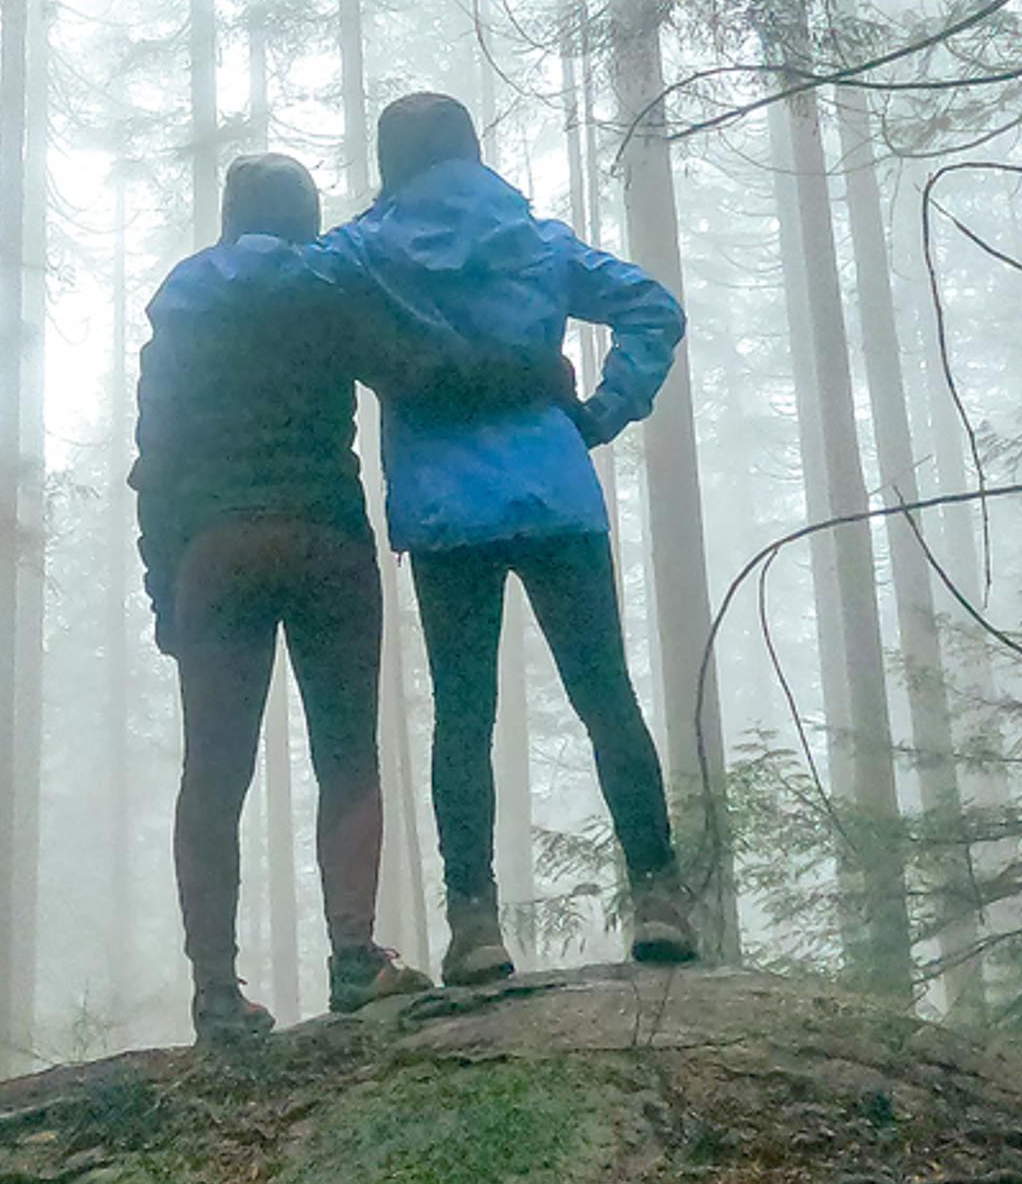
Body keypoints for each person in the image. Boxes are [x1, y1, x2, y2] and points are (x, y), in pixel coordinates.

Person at [134, 150, 568, 1045]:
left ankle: (216, 993)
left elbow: (156, 461)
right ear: (306, 215)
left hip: (216, 550)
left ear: (227, 216)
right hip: (325, 541)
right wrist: (535, 375)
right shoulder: (330, 286)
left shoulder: (180, 309)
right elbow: (423, 368)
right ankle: (353, 956)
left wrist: (163, 593)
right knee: (348, 758)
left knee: (212, 775)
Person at [324, 88, 697, 983]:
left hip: (446, 513)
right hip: (555, 493)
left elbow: (290, 291)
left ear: (392, 162)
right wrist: (604, 412)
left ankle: (476, 925)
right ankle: (658, 898)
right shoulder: (535, 239)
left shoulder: (365, 252)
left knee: (463, 717)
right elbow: (653, 307)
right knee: (606, 698)